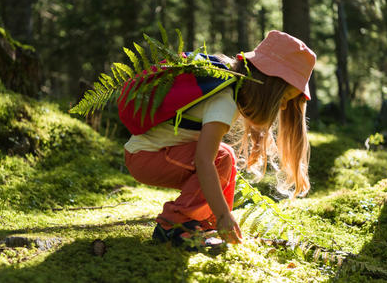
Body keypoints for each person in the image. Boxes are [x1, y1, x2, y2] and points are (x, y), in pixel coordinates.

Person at [123, 30, 316, 246]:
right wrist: (225, 214)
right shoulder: (225, 100)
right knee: (221, 158)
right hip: (145, 157)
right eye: (284, 98)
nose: (282, 106)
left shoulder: (227, 83)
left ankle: (201, 225)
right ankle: (173, 225)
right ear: (270, 85)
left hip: (149, 155)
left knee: (226, 157)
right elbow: (204, 160)